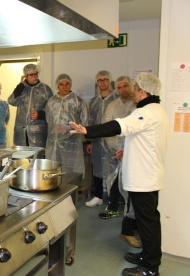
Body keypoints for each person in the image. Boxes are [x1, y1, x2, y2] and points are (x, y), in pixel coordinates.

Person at [69, 72, 168, 276]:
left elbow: (117, 126)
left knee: (147, 223)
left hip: (144, 179)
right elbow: (144, 140)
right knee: (148, 220)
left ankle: (150, 268)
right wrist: (128, 150)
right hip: (149, 176)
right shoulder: (156, 110)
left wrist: (86, 130)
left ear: (143, 91)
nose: (132, 92)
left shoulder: (145, 112)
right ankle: (149, 256)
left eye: (135, 89)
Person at [99, 76, 140, 248]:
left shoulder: (138, 106)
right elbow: (107, 126)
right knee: (114, 179)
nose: (123, 89)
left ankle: (130, 222)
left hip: (135, 153)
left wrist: (129, 150)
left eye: (126, 86)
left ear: (131, 88)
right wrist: (116, 149)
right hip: (115, 151)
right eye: (120, 87)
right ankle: (114, 207)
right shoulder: (112, 106)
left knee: (132, 187)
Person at [85, 70, 119, 207]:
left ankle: (114, 198)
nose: (102, 82)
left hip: (113, 141)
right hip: (97, 141)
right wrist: (89, 141)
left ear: (110, 81)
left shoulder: (117, 99)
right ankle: (98, 196)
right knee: (97, 167)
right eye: (99, 80)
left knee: (114, 168)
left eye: (105, 79)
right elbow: (90, 122)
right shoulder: (93, 101)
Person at [45, 74, 88, 175]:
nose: (65, 87)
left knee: (71, 168)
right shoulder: (51, 101)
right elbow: (49, 119)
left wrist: (68, 130)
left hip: (72, 140)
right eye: (62, 84)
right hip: (54, 139)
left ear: (71, 85)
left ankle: (71, 187)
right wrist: (55, 129)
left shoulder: (78, 101)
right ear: (57, 86)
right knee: (54, 167)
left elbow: (84, 120)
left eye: (67, 84)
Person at [7, 64, 53, 147]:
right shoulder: (21, 89)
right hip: (22, 132)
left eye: (36, 74)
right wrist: (20, 85)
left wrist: (40, 114)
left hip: (38, 132)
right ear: (25, 76)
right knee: (22, 158)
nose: (35, 76)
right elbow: (11, 101)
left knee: (38, 158)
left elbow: (52, 109)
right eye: (32, 75)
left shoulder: (46, 89)